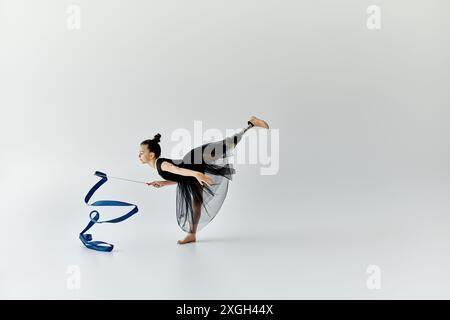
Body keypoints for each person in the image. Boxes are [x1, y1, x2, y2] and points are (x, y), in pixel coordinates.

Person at [138, 116, 269, 244]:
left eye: (141, 152)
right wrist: (163, 183)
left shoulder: (161, 164)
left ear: (151, 155)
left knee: (227, 145)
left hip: (198, 157)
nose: (139, 155)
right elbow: (181, 177)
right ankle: (192, 235)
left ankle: (251, 123)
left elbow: (178, 170)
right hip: (192, 174)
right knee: (196, 204)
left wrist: (196, 174)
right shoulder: (158, 167)